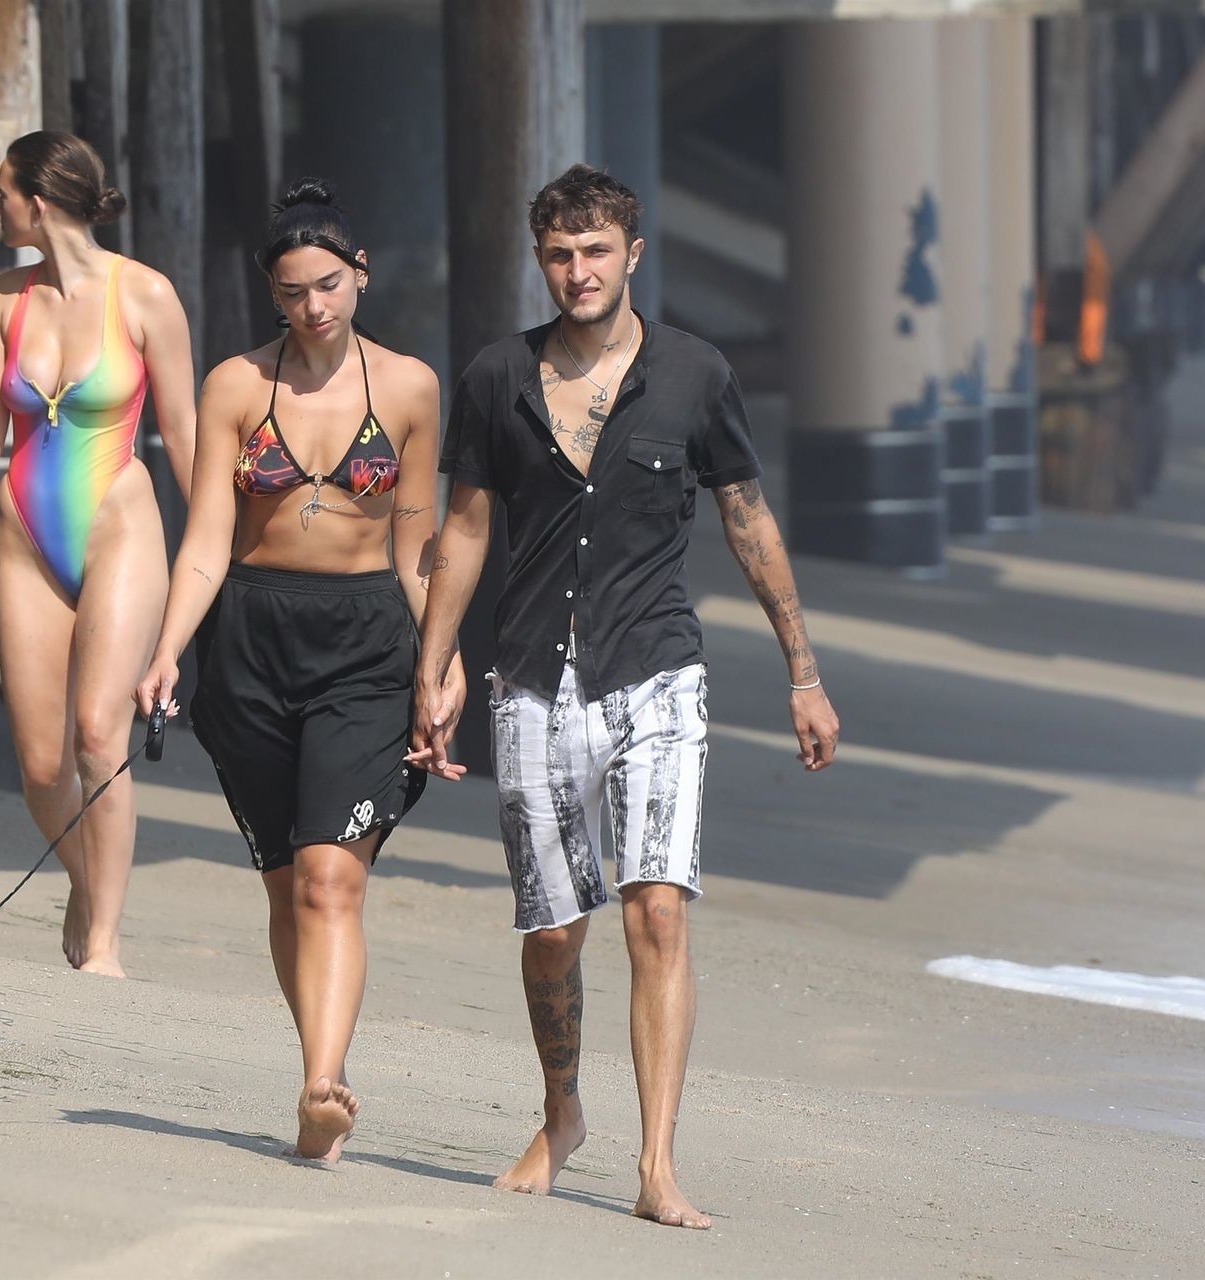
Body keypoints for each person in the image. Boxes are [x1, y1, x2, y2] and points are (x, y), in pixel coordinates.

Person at [410, 164, 840, 1226]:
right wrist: (433, 665)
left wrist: (803, 672)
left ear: (632, 254)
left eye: (596, 251)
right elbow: (463, 529)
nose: (579, 271)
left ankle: (656, 1164)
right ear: (540, 260)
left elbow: (747, 519)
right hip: (531, 679)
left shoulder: (695, 373)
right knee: (554, 929)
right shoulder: (497, 377)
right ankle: (562, 1113)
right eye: (560, 254)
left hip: (657, 672)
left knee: (657, 908)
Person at [135, 179, 459, 1161]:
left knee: (329, 879)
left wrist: (441, 661)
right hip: (252, 640)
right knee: (285, 885)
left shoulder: (409, 387)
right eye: (291, 292)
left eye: (327, 285)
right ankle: (322, 1061)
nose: (312, 306)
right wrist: (166, 648)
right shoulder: (236, 386)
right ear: (271, 295)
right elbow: (206, 541)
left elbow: (418, 546)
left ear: (361, 275)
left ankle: (321, 1087)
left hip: (365, 645)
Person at [0, 131, 196, 978]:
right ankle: (86, 884)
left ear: (38, 203)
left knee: (96, 734)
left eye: (3, 194)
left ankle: (105, 943)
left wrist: (214, 547)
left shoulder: (145, 294)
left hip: (120, 526)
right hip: (23, 533)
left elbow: (183, 433)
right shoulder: (8, 296)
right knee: (42, 765)